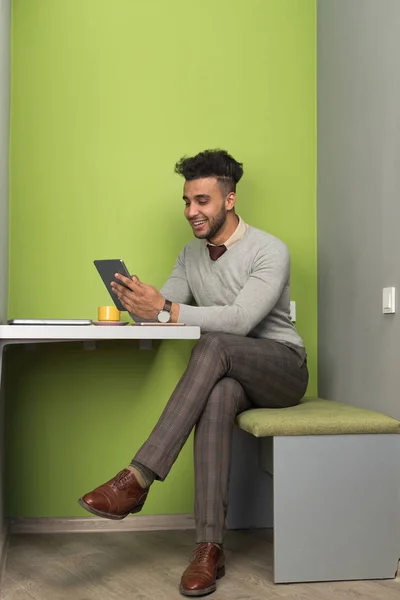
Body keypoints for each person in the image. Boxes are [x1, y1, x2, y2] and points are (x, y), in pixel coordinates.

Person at [79, 149, 308, 597]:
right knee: (218, 393)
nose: (191, 212)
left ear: (229, 200)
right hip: (231, 372)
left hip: (281, 367)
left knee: (215, 341)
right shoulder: (190, 255)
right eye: (186, 201)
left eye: (202, 201)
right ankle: (209, 549)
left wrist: (165, 309)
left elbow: (241, 321)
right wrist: (141, 303)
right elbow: (169, 311)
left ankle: (139, 477)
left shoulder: (270, 250)